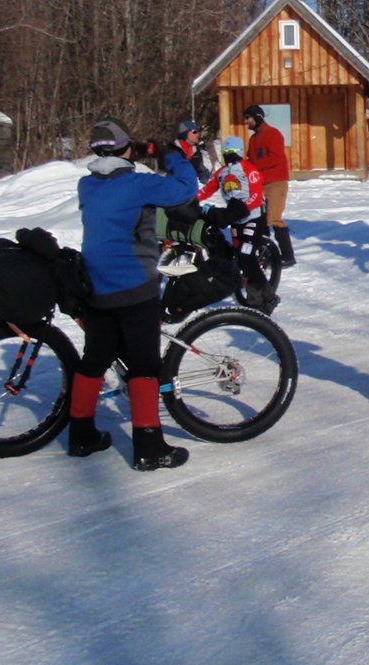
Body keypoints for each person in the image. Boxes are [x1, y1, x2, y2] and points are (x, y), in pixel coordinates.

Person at [71, 119, 199, 470]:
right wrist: (171, 154)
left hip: (95, 288)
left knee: (94, 360)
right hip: (133, 288)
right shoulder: (138, 185)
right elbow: (186, 189)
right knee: (144, 365)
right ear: (127, 150)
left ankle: (81, 435)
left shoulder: (86, 185)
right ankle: (149, 447)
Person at [197, 135, 277, 314]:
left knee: (246, 255)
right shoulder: (222, 173)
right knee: (239, 258)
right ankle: (252, 296)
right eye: (226, 152)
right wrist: (191, 200)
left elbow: (256, 195)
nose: (229, 155)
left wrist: (243, 208)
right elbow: (207, 189)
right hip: (234, 219)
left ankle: (269, 294)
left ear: (240, 152)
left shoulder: (249, 169)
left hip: (253, 218)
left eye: (232, 152)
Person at [243, 103, 295, 267]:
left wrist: (254, 167)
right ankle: (265, 252)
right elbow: (251, 160)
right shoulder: (253, 139)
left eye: (247, 118)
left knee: (274, 219)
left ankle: (287, 256)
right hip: (259, 184)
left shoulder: (273, 134)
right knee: (260, 218)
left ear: (257, 117)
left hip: (275, 183)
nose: (245, 122)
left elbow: (276, 157)